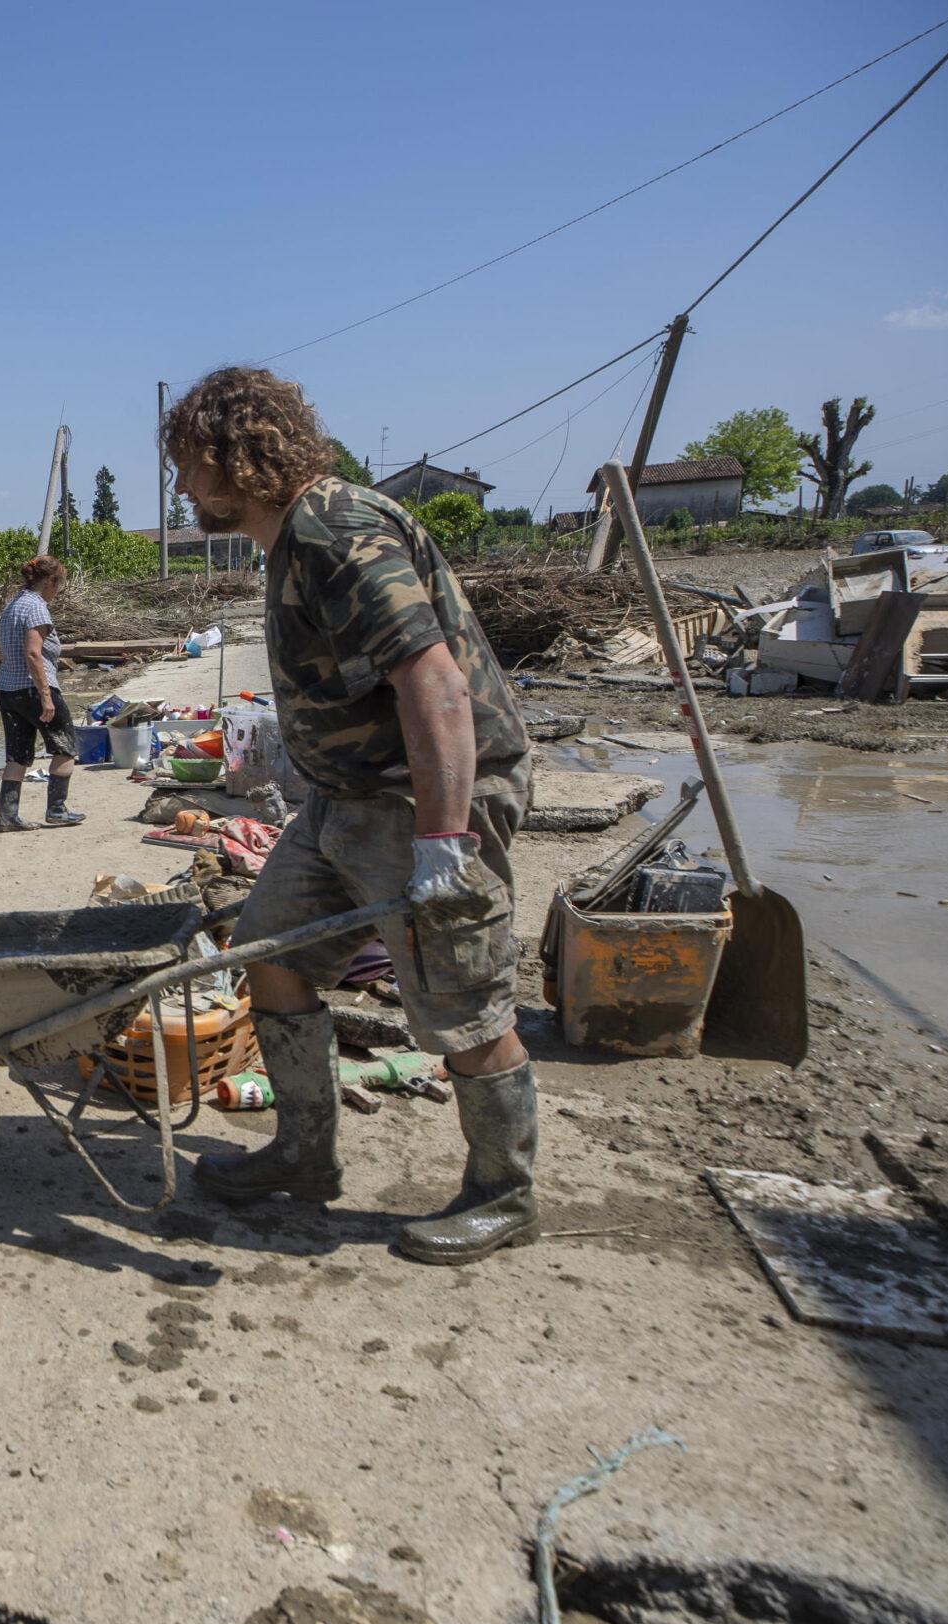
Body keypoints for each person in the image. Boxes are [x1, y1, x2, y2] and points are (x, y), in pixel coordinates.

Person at [161, 368, 539, 1264]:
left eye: (188, 466)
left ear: (236, 456)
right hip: (346, 802)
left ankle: (507, 1193)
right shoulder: (294, 538)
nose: (182, 488)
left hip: (419, 801)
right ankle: (304, 1150)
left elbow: (435, 682)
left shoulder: (337, 529)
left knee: (462, 1005)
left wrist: (445, 847)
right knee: (272, 955)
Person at [0, 553, 85, 830]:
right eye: (58, 585)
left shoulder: (12, 607)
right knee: (66, 746)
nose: (57, 591)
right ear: (50, 581)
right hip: (31, 688)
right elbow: (33, 654)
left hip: (7, 689)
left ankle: (8, 816)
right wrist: (45, 695)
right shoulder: (36, 608)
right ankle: (57, 810)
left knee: (18, 754)